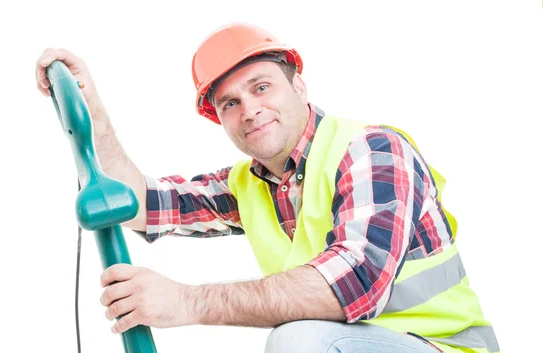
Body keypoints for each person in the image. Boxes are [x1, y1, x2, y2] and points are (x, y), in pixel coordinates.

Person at [35, 22, 500, 353]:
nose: (249, 110)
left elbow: (354, 284)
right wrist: (90, 109)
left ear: (299, 86)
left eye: (261, 88)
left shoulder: (371, 151)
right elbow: (136, 203)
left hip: (443, 348)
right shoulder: (248, 184)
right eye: (230, 103)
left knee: (297, 341)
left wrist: (186, 301)